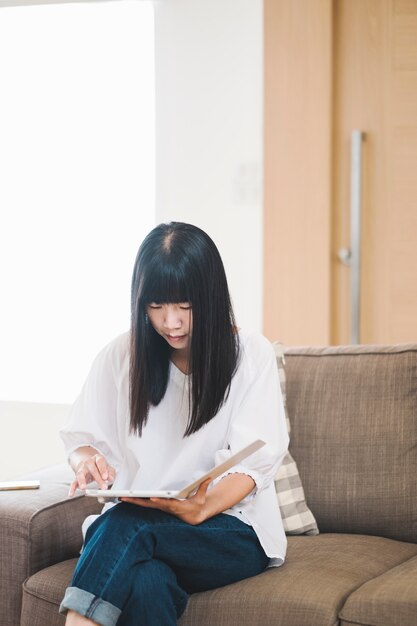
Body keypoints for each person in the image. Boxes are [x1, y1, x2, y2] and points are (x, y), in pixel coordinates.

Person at [59, 222, 289, 626]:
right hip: (147, 529)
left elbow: (255, 461)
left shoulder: (250, 353)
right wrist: (86, 460)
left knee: (124, 526)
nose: (171, 323)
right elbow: (80, 439)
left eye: (185, 306)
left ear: (211, 297)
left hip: (231, 531)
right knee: (147, 581)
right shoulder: (119, 356)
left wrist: (202, 508)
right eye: (156, 306)